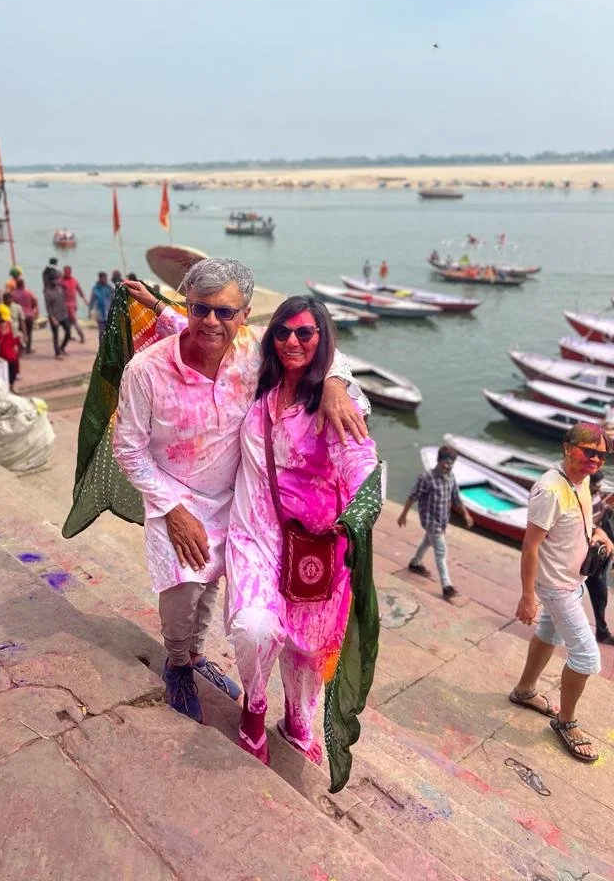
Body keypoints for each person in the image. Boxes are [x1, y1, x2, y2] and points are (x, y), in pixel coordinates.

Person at [113, 259, 369, 724]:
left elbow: (321, 348)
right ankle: (178, 663)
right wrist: (172, 509)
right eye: (201, 309)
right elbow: (128, 450)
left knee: (212, 584)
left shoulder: (254, 352)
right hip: (175, 497)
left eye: (225, 312)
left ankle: (196, 655)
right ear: (188, 307)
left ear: (245, 315)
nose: (211, 321)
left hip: (235, 500)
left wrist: (335, 384)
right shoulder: (145, 371)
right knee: (182, 591)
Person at [226, 297, 379, 765]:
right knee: (255, 629)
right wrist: (159, 306)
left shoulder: (336, 404)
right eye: (283, 332)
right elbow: (215, 333)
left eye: (305, 333)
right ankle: (254, 707)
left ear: (322, 339)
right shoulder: (257, 379)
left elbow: (360, 458)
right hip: (254, 536)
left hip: (317, 549)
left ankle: (297, 720)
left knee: (309, 652)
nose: (291, 341)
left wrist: (363, 505)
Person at [510, 423, 614, 763]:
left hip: (572, 579)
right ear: (568, 447)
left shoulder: (578, 482)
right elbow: (530, 546)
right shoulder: (550, 490)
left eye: (602, 455)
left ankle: (524, 690)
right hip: (556, 587)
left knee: (548, 634)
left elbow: (581, 522)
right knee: (587, 657)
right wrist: (528, 596)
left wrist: (599, 534)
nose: (596, 460)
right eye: (589, 451)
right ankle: (566, 721)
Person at [397, 445, 473, 599]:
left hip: (442, 519)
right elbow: (413, 497)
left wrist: (466, 514)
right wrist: (403, 514)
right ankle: (447, 586)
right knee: (441, 551)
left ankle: (415, 563)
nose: (447, 466)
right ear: (438, 461)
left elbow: (456, 498)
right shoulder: (426, 478)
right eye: (445, 463)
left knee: (428, 541)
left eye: (451, 464)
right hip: (430, 521)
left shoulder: (451, 477)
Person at [584, 471, 614, 645]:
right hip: (582, 554)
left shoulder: (596, 494)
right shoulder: (581, 496)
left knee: (601, 595)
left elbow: (600, 507)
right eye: (596, 484)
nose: (599, 487)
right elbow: (585, 522)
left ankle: (602, 632)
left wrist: (605, 508)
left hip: (594, 556)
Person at [0, 303, 21, 387]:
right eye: (2, 319)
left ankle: (11, 386)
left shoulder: (8, 323)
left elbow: (11, 336)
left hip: (10, 353)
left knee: (12, 370)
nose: (3, 321)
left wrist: (15, 345)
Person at [44, 275, 71, 359]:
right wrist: (53, 318)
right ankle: (57, 353)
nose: (55, 282)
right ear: (49, 281)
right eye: (53, 280)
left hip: (63, 315)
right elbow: (48, 308)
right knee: (56, 335)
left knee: (68, 332)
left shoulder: (60, 288)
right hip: (54, 316)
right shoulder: (47, 292)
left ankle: (62, 348)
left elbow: (67, 292)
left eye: (56, 280)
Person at [11, 276, 39, 354]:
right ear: (23, 284)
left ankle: (21, 348)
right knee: (29, 333)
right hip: (29, 316)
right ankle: (28, 349)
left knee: (18, 333)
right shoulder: (29, 293)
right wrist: (33, 310)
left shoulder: (13, 294)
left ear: (16, 285)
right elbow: (35, 302)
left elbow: (12, 306)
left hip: (19, 317)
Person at [61, 265, 88, 344]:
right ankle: (69, 335)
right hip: (67, 305)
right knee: (69, 321)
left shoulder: (72, 280)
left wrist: (85, 299)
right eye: (65, 271)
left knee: (74, 321)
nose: (66, 273)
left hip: (71, 305)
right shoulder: (62, 281)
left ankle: (82, 336)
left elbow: (80, 290)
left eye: (67, 271)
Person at [89, 271, 114, 343]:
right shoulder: (95, 288)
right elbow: (92, 301)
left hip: (109, 313)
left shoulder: (110, 287)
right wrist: (90, 311)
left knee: (109, 332)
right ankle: (102, 346)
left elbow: (115, 297)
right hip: (100, 314)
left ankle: (109, 346)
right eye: (102, 278)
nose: (104, 279)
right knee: (101, 332)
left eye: (105, 278)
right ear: (99, 278)